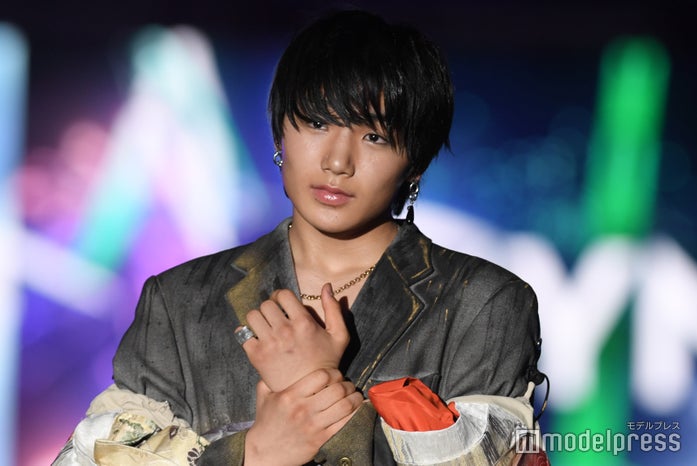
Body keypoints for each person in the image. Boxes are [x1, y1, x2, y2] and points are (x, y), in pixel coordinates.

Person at [54, 9, 544, 466]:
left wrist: (312, 386)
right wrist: (255, 453)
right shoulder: (179, 300)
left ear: (415, 163)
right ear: (279, 135)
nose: (337, 161)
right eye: (316, 122)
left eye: (374, 136)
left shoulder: (483, 302)